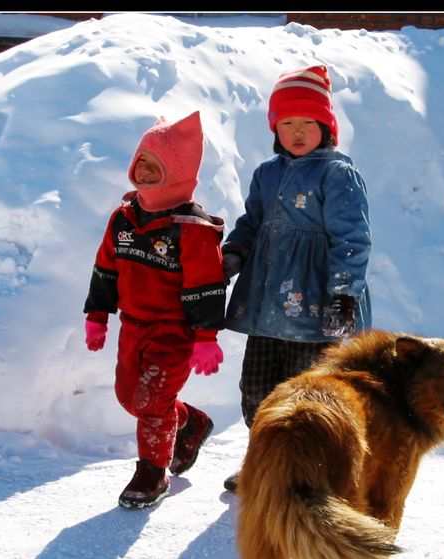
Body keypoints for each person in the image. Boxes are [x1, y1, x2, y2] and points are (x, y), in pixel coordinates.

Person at [221, 65, 372, 491]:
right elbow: (251, 222)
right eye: (287, 123)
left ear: (326, 125)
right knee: (256, 391)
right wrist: (234, 254)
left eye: (309, 122)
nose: (298, 131)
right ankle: (262, 463)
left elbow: (352, 239)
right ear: (275, 128)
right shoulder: (266, 173)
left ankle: (308, 474)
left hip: (316, 310)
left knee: (306, 399)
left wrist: (345, 296)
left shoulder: (338, 174)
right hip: (267, 307)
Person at [83, 111, 226, 508]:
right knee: (130, 397)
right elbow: (106, 267)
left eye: (155, 166)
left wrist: (205, 337)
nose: (144, 172)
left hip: (173, 331)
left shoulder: (191, 228)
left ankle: (152, 472)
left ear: (177, 171)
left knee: (149, 402)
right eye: (140, 163)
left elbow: (206, 284)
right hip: (133, 326)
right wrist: (97, 316)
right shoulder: (124, 218)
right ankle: (190, 421)